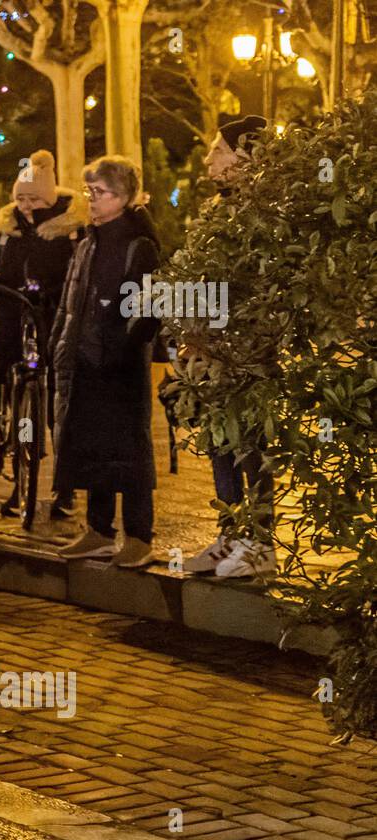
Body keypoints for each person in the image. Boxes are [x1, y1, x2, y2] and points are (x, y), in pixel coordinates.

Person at [53, 157, 162, 569]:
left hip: (122, 364)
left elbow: (148, 308)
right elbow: (73, 300)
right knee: (94, 446)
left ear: (124, 196)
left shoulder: (138, 245)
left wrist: (122, 346)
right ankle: (98, 530)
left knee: (130, 450)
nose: (93, 201)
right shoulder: (89, 241)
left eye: (101, 193)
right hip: (86, 357)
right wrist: (64, 345)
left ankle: (139, 535)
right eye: (91, 192)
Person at [183, 115, 277, 578]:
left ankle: (260, 544)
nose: (208, 159)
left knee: (252, 447)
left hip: (247, 353)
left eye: (218, 151)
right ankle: (231, 533)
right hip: (211, 350)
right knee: (219, 442)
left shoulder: (267, 210)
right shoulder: (216, 209)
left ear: (245, 157)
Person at [0, 149, 88, 520]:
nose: (26, 207)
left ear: (50, 198)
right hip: (14, 309)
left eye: (34, 199)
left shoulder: (69, 228)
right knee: (5, 367)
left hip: (53, 314)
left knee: (59, 399)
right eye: (21, 199)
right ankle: (8, 443)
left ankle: (64, 486)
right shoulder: (9, 228)